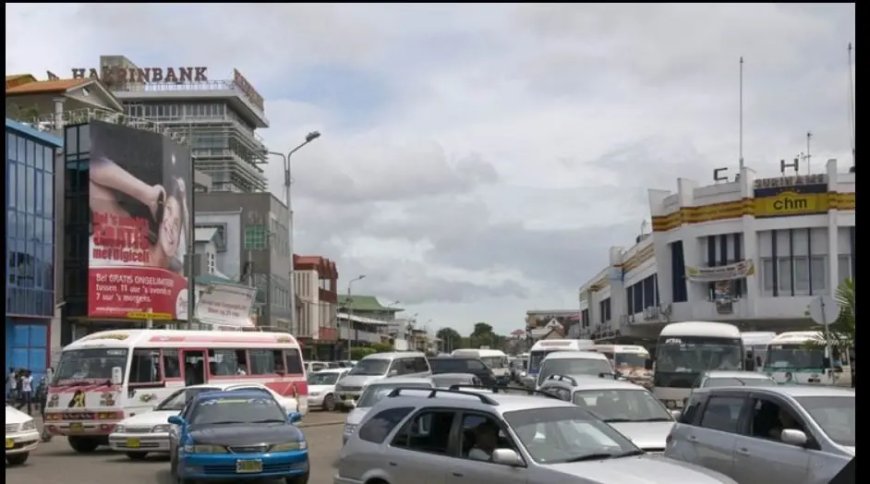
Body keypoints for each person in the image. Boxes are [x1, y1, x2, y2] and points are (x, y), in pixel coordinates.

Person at [89, 156, 188, 274]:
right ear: (160, 216)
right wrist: (148, 194)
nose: (170, 224)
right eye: (168, 211)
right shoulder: (130, 234)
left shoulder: (174, 281)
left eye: (176, 223)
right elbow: (93, 166)